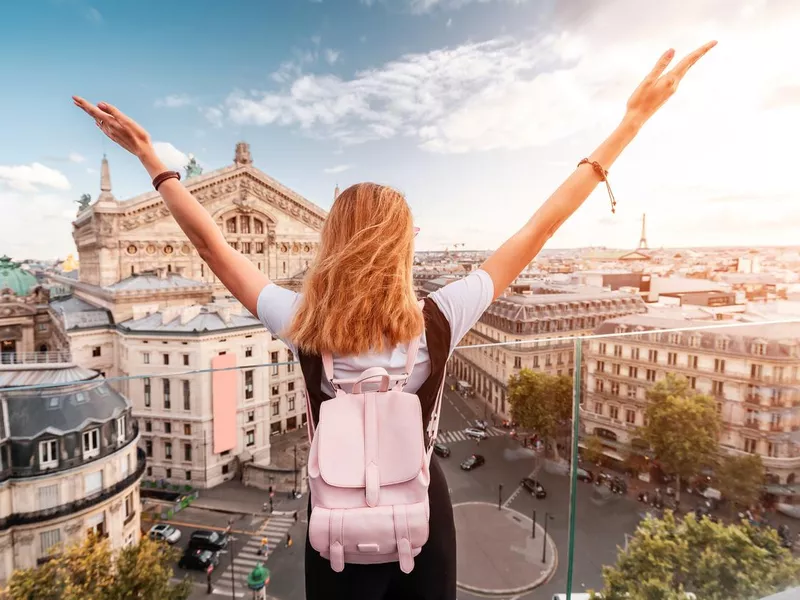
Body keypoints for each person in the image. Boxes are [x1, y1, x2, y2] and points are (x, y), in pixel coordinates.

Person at [73, 40, 715, 600]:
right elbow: (541, 225)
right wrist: (629, 124)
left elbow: (213, 247)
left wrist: (151, 157)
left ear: (335, 245)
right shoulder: (439, 317)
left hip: (337, 512)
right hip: (419, 504)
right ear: (404, 246)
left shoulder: (303, 321)